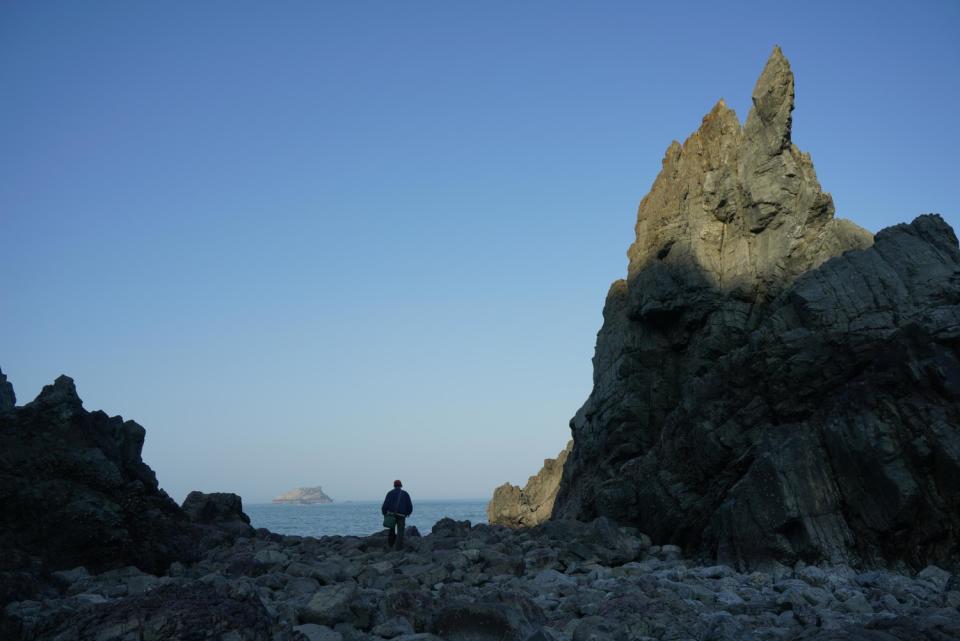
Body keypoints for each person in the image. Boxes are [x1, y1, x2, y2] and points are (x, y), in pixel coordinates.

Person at [381, 479, 413, 549]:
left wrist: (384, 513)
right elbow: (410, 506)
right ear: (401, 485)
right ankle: (398, 547)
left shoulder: (390, 493)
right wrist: (407, 513)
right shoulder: (405, 494)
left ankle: (390, 545)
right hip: (401, 516)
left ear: (394, 486)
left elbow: (385, 505)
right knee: (400, 531)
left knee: (391, 530)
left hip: (391, 515)